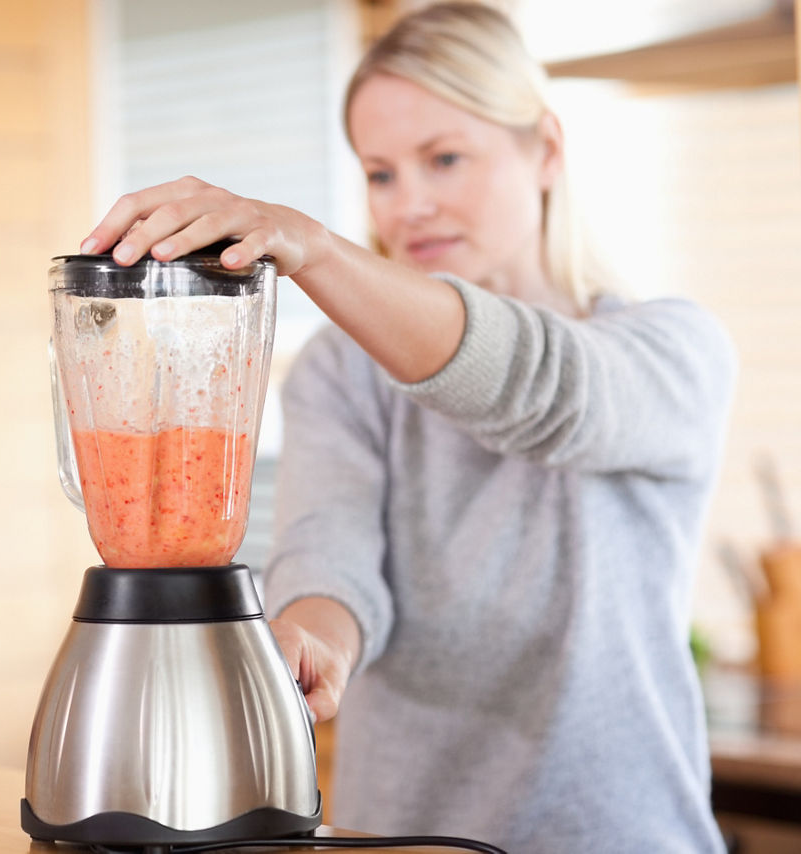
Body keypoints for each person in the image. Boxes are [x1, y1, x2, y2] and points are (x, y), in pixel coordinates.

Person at [78, 2, 736, 852]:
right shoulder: (342, 373)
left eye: (445, 159)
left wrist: (310, 248)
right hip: (398, 836)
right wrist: (312, 640)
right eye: (381, 173)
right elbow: (331, 551)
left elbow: (537, 387)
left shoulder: (672, 352)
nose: (410, 204)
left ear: (546, 149)